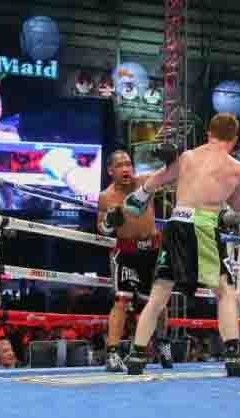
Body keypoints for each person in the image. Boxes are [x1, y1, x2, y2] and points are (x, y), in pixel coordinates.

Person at [122, 113, 240, 377]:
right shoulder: (238, 169)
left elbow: (155, 180)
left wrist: (137, 198)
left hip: (176, 224)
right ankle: (233, 356)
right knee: (225, 291)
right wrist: (230, 211)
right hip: (202, 227)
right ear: (234, 139)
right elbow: (238, 209)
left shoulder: (187, 157)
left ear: (209, 132)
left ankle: (136, 355)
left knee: (159, 294)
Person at [97, 150, 171, 372]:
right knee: (122, 300)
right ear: (111, 171)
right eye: (120, 165)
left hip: (153, 250)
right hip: (126, 253)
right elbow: (101, 228)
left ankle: (162, 342)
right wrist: (109, 222)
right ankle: (112, 353)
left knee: (158, 302)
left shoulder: (145, 183)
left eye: (128, 163)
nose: (126, 168)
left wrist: (171, 159)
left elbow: (171, 175)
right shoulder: (106, 196)